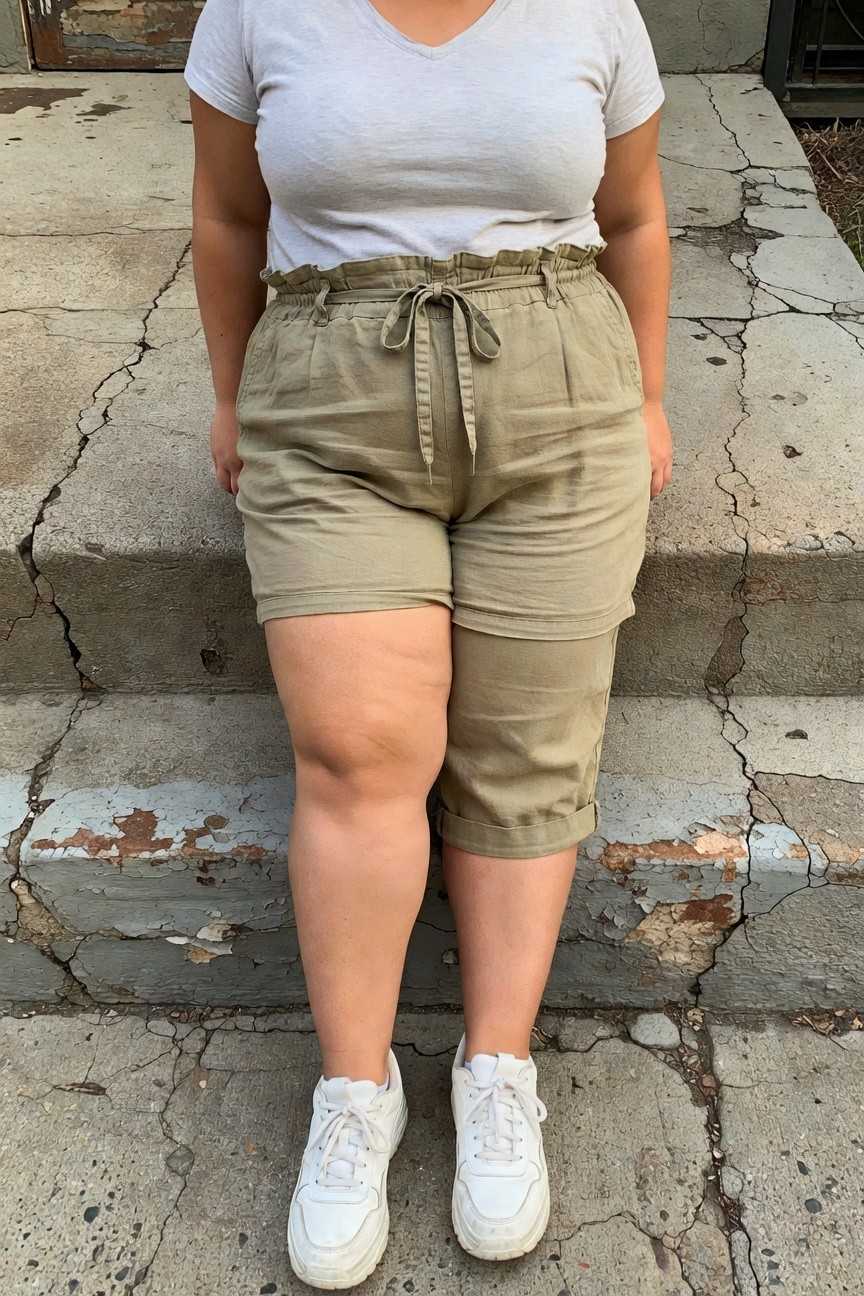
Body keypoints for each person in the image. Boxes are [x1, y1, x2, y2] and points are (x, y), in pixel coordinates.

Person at [184, 0, 671, 1286]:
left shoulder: (593, 9)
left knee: (529, 751)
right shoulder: (256, 9)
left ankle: (494, 1067)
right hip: (328, 404)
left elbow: (633, 217)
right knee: (356, 753)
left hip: (562, 396)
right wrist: (231, 394)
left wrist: (648, 398)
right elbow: (227, 214)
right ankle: (358, 1090)